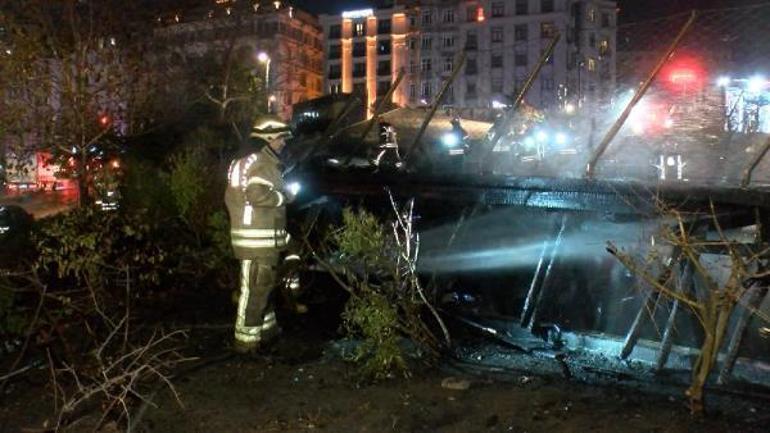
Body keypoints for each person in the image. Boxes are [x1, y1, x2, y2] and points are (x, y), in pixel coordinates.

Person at [225, 114, 296, 353]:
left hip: (259, 238)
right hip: (257, 240)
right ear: (269, 138)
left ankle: (267, 331)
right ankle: (246, 343)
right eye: (281, 138)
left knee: (262, 288)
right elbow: (257, 195)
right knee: (254, 291)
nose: (284, 143)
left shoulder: (250, 160)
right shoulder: (260, 162)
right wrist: (284, 196)